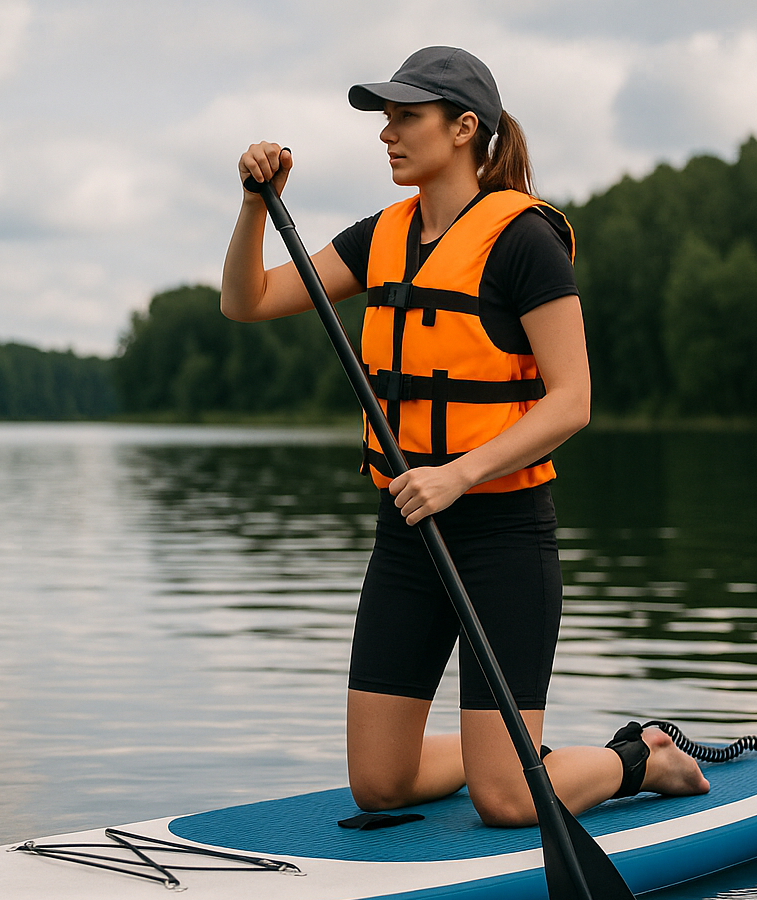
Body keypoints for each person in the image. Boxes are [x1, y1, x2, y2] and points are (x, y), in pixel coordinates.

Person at [222, 46, 709, 827]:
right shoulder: (382, 235)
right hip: (407, 535)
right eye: (385, 119)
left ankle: (636, 758)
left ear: (463, 128)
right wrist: (255, 206)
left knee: (507, 803)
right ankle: (511, 750)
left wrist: (458, 473)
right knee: (380, 786)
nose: (387, 134)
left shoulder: (523, 240)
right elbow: (248, 301)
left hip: (503, 539)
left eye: (405, 117)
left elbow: (573, 400)